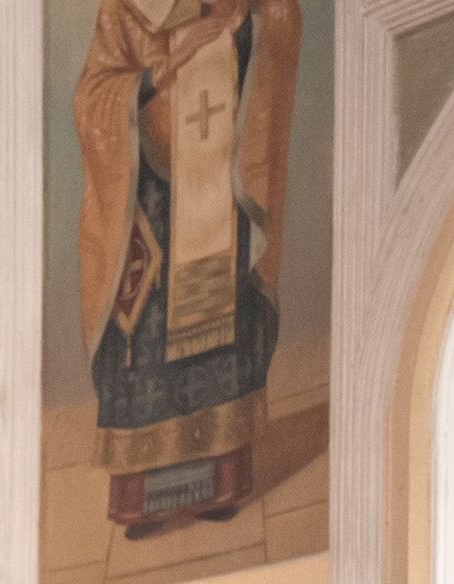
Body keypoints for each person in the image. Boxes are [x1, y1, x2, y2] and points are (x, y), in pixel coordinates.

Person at [71, 0, 302, 543]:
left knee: (220, 330)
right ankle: (144, 502)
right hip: (146, 202)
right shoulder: (122, 9)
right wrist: (169, 63)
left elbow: (280, 29)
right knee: (143, 341)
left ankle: (219, 484)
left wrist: (252, 25)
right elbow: (92, 99)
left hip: (217, 188)